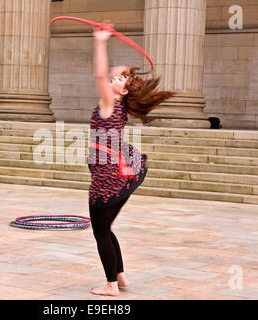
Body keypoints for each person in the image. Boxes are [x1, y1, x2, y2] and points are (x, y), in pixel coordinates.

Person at [88, 21, 174, 296]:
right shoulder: (120, 108)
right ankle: (121, 277)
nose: (113, 80)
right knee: (107, 228)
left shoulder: (110, 104)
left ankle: (111, 285)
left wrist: (101, 41)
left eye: (120, 80)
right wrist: (119, 72)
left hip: (107, 180)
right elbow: (108, 77)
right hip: (122, 175)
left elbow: (100, 77)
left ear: (122, 92)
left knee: (101, 232)